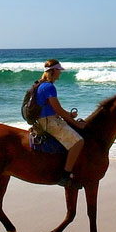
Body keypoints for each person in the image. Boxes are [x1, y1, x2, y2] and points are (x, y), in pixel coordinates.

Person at [35, 59, 84, 187]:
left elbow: (54, 109)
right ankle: (65, 176)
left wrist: (69, 115)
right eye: (59, 70)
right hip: (49, 122)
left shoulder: (41, 85)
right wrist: (76, 123)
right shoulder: (50, 87)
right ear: (53, 71)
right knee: (78, 142)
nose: (60, 73)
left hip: (45, 119)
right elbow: (58, 110)